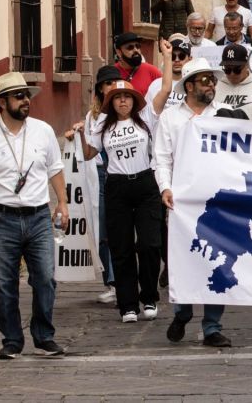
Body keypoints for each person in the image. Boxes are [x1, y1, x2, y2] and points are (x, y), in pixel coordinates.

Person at [0, 72, 68, 358]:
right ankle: (12, 340)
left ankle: (43, 336)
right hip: (0, 218)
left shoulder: (42, 130)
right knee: (4, 283)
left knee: (45, 278)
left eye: (27, 94)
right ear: (3, 102)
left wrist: (62, 204)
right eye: (19, 96)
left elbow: (55, 168)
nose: (26, 100)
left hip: (38, 216)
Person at [155, 58, 232, 347]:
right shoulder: (171, 118)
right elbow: (162, 157)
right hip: (184, 202)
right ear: (189, 86)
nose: (211, 84)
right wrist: (165, 187)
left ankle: (212, 326)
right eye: (205, 80)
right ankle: (182, 311)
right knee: (185, 258)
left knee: (219, 262)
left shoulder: (223, 115)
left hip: (218, 201)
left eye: (212, 80)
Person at [84, 81, 160, 324]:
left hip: (146, 184)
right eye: (118, 97)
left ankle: (149, 297)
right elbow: (88, 153)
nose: (123, 101)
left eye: (127, 96)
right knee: (121, 247)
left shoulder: (145, 119)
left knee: (149, 244)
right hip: (117, 186)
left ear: (134, 100)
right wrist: (78, 134)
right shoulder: (103, 125)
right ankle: (128, 304)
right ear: (111, 102)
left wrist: (167, 58)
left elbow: (166, 89)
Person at [64, 65, 121, 303]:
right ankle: (112, 281)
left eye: (115, 83)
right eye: (108, 84)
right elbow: (88, 151)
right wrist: (78, 135)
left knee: (120, 231)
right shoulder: (92, 116)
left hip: (119, 174)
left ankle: (125, 280)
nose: (112, 88)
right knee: (102, 231)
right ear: (99, 88)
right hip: (97, 174)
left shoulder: (126, 112)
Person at [214, 44, 252, 122]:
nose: (232, 74)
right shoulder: (215, 87)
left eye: (237, 70)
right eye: (227, 70)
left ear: (247, 65)